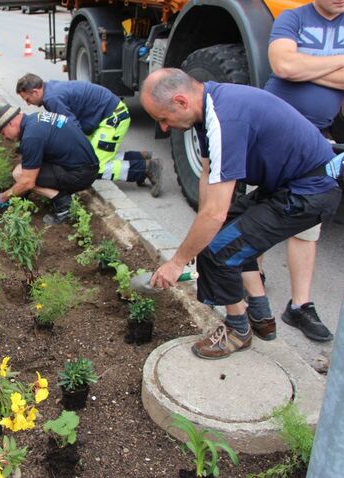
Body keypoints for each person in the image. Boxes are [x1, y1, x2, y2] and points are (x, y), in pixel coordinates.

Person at [142, 68, 341, 359]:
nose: (163, 127)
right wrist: (205, 220)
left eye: (162, 118)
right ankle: (261, 316)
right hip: (291, 184)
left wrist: (177, 262)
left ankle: (237, 330)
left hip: (309, 192)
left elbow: (215, 215)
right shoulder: (208, 106)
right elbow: (209, 174)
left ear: (181, 102)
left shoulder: (225, 118)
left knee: (217, 250)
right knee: (231, 232)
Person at [254, 0, 344, 342]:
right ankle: (255, 278)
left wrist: (308, 65)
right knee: (260, 209)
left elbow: (296, 66)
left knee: (308, 221)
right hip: (272, 132)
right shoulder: (294, 17)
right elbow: (284, 66)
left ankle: (300, 305)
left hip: (316, 140)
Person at [16, 73, 163, 197]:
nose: (28, 104)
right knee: (93, 154)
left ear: (35, 92)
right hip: (108, 115)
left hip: (112, 118)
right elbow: (64, 124)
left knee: (93, 168)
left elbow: (72, 127)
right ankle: (139, 157)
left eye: (27, 100)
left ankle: (145, 168)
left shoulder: (52, 99)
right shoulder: (51, 90)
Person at [0, 104, 100, 224]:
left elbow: (28, 182)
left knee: (20, 174)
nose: (4, 138)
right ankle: (25, 195)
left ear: (11, 123)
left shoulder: (31, 136)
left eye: (3, 132)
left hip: (80, 174)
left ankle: (64, 204)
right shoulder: (35, 118)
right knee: (24, 170)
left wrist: (1, 198)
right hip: (85, 165)